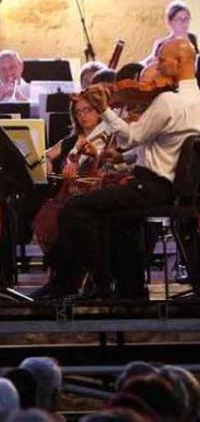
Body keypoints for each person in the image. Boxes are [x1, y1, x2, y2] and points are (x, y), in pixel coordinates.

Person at [38, 38, 200, 299]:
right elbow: (167, 147)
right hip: (176, 189)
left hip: (153, 187)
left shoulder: (169, 101)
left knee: (75, 207)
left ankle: (73, 283)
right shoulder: (196, 98)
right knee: (114, 216)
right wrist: (122, 160)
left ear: (180, 62)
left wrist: (104, 110)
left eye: (162, 60)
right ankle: (128, 289)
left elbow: (129, 138)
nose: (156, 65)